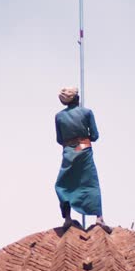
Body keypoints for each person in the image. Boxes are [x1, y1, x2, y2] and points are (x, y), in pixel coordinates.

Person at [54, 86, 107, 230]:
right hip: (84, 148)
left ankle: (68, 218)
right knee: (90, 182)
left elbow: (59, 139)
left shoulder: (59, 117)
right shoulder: (87, 113)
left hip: (68, 153)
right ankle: (99, 218)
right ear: (77, 99)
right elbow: (95, 136)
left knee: (63, 185)